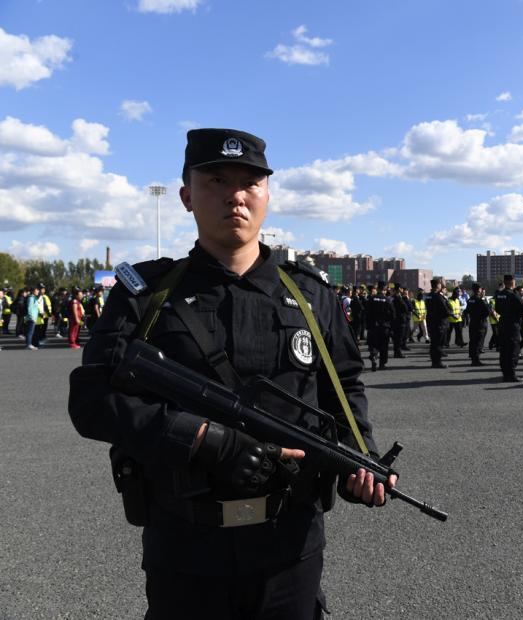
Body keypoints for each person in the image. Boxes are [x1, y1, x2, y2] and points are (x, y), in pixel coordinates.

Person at [67, 128, 395, 618]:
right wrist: (203, 438)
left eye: (250, 183)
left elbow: (343, 387)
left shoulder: (310, 295)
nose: (235, 196)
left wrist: (358, 457)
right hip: (185, 545)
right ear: (186, 197)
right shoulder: (147, 296)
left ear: (267, 196)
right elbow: (91, 401)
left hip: (291, 546)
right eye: (217, 181)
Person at [494, 274, 523, 382]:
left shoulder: (499, 294)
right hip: (513, 325)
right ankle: (511, 375)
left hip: (503, 324)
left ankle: (505, 374)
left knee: (504, 350)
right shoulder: (513, 294)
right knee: (513, 350)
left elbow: (497, 309)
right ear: (513, 282)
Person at [365, 281, 393, 371]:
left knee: (374, 344)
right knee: (384, 346)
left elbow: (367, 313)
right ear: (384, 289)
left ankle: (373, 356)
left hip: (373, 326)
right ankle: (382, 364)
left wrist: (367, 325)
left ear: (377, 289)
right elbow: (393, 314)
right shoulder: (387, 300)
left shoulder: (371, 299)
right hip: (384, 326)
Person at [424, 277, 451, 368]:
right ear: (438, 285)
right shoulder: (438, 297)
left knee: (433, 343)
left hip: (431, 322)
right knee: (438, 343)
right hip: (439, 323)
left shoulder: (428, 296)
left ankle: (434, 361)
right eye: (440, 284)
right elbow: (445, 310)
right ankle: (437, 362)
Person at [462, 283, 490, 366]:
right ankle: (476, 360)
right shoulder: (480, 300)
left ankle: (473, 357)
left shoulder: (470, 300)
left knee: (473, 341)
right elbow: (487, 311)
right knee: (478, 342)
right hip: (480, 323)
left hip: (473, 322)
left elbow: (466, 311)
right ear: (479, 290)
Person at [390, 286, 409, 359]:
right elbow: (405, 307)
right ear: (398, 289)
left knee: (397, 338)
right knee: (399, 338)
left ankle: (397, 352)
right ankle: (398, 353)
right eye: (401, 288)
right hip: (399, 320)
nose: (402, 290)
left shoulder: (393, 297)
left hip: (395, 320)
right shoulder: (398, 297)